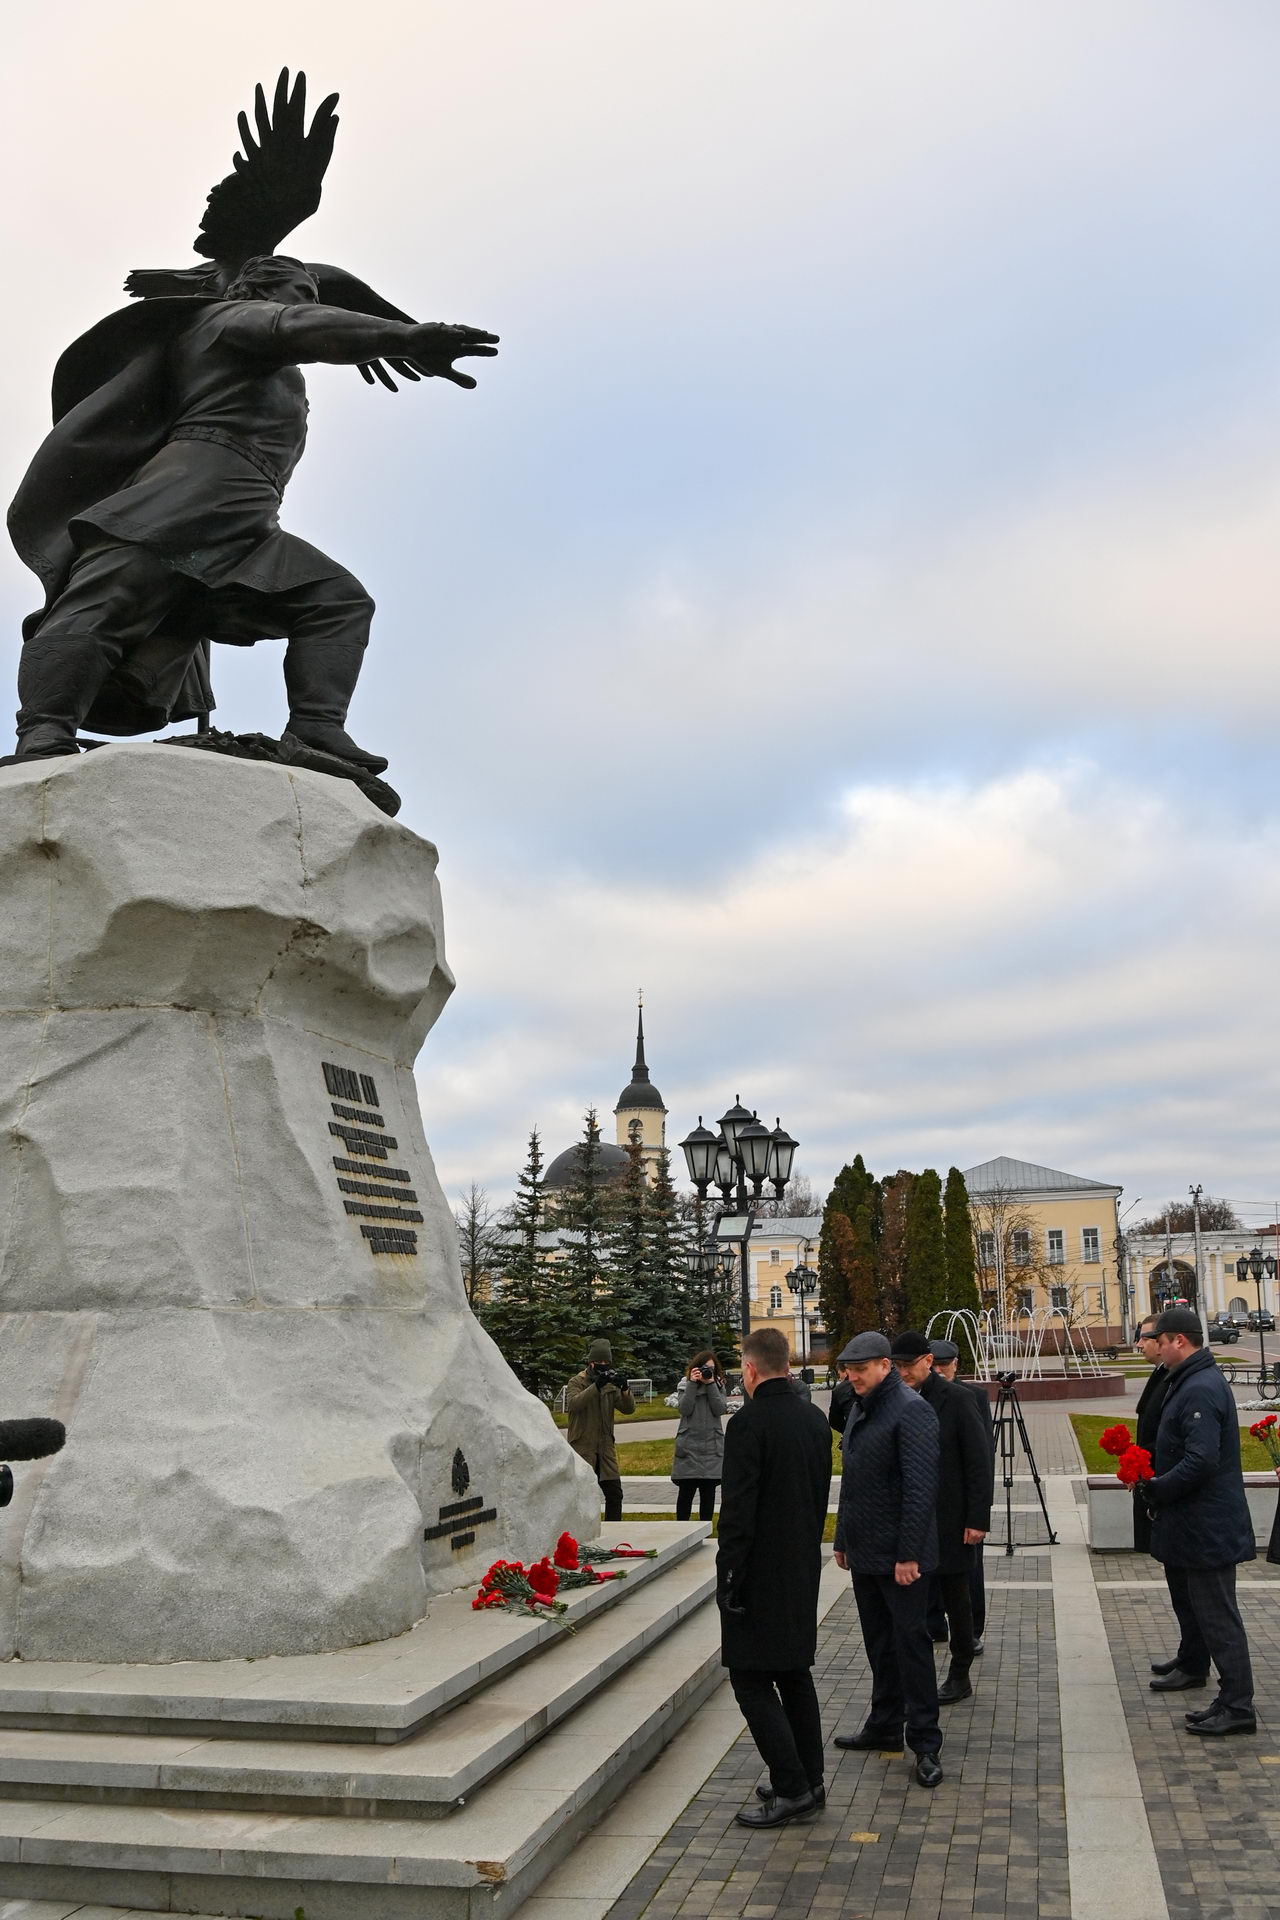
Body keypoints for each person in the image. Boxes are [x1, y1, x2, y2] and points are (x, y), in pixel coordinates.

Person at [7, 255, 497, 764]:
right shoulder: (229, 320)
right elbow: (296, 325)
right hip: (187, 491)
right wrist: (405, 336)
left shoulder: (272, 359)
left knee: (335, 601)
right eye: (301, 292)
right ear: (258, 291)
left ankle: (315, 728)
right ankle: (44, 732)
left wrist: (382, 334)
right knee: (107, 599)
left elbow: (306, 326)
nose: (310, 303)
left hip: (250, 513)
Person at [717, 1326, 833, 1829]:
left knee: (749, 1678)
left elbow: (739, 1514)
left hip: (759, 1573)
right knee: (794, 1672)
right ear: (787, 1364)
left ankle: (791, 1787)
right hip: (802, 1565)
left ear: (749, 1369)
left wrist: (729, 1576)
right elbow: (819, 1496)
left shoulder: (748, 1425)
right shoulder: (813, 1419)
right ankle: (811, 1776)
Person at [832, 1332, 944, 1788]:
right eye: (847, 1369)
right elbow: (853, 1481)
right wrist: (843, 1539)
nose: (851, 1377)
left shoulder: (912, 1411)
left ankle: (925, 1742)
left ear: (884, 1365)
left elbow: (920, 1490)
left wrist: (909, 1554)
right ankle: (884, 1725)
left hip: (901, 1560)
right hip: (866, 1553)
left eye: (859, 1369)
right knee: (879, 1644)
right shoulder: (862, 1406)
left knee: (911, 1646)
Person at [1143, 1306, 1257, 1736]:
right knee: (1209, 1614)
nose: (1154, 1346)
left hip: (1208, 1525)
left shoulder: (1200, 1387)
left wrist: (1158, 1487)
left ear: (1178, 1341)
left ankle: (1238, 1706)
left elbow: (1201, 1461)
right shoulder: (1190, 1380)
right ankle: (1228, 1699)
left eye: (1160, 1339)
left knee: (1218, 1618)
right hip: (1197, 1523)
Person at [890, 1332, 990, 1705]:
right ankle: (913, 1676)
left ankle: (960, 1671)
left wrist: (977, 1518)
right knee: (913, 1600)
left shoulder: (959, 1399)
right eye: (896, 1366)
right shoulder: (894, 1399)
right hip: (910, 1520)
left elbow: (978, 1463)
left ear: (928, 1361)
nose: (902, 1373)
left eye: (908, 1366)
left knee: (956, 1601)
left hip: (951, 1519)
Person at [929, 1338, 994, 1652]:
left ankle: (972, 1631)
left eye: (946, 1364)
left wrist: (980, 1509)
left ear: (956, 1363)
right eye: (935, 1364)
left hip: (964, 1502)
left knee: (970, 1570)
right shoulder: (918, 1396)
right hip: (933, 1500)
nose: (940, 1370)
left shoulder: (973, 1397)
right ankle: (936, 1625)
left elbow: (983, 1456)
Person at [564, 1340, 635, 1523]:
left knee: (615, 1494)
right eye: (599, 1363)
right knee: (583, 1494)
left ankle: (615, 1531)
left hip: (605, 1448)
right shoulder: (577, 1381)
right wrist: (595, 1387)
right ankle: (582, 1530)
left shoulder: (610, 1383)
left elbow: (628, 1409)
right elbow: (574, 1405)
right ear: (591, 1362)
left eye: (606, 1363)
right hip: (583, 1447)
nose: (603, 1367)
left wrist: (625, 1389)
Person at [1132, 1314, 1173, 1557]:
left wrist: (1140, 1461)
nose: (1138, 1344)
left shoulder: (1170, 1378)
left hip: (1161, 1480)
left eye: (1144, 1338)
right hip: (1151, 1478)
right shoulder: (1161, 1374)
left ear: (1160, 1341)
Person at [671, 1350, 728, 1521]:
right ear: (695, 1368)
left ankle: (704, 1530)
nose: (707, 1371)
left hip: (711, 1447)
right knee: (686, 1493)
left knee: (708, 1494)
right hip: (689, 1447)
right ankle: (681, 1530)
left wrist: (710, 1384)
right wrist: (692, 1384)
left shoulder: (718, 1385)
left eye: (711, 1368)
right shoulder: (685, 1384)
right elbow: (684, 1409)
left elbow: (719, 1409)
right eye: (704, 1368)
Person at [828, 1359, 855, 1439]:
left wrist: (847, 1430)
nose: (839, 1377)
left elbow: (834, 1421)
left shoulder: (840, 1390)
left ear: (846, 1371)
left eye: (839, 1373)